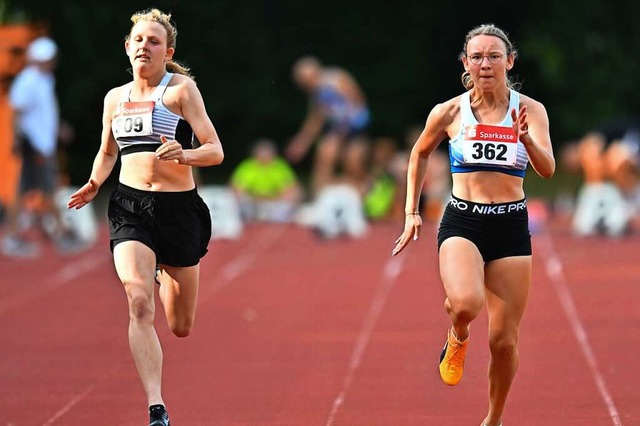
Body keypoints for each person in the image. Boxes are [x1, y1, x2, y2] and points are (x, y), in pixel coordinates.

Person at [66, 9, 223, 426]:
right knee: (138, 302)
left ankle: (161, 270)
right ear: (127, 47)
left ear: (167, 51)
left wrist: (184, 153)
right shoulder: (114, 99)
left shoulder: (180, 91)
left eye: (154, 41)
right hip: (130, 208)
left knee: (181, 325)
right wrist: (96, 182)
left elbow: (215, 149)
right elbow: (107, 151)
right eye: (138, 40)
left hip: (179, 212)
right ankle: (157, 407)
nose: (144, 47)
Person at [392, 24, 555, 426]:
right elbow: (419, 153)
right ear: (466, 63)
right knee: (465, 304)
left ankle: (493, 419)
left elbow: (548, 169)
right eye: (477, 57)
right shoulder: (448, 111)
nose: (486, 64)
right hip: (463, 219)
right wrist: (413, 211)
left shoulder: (531, 111)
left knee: (503, 341)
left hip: (511, 225)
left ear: (509, 61)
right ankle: (458, 334)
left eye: (494, 56)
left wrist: (527, 140)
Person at [1, 36, 81, 257]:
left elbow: (42, 114)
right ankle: (57, 232)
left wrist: (57, 129)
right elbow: (16, 111)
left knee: (38, 189)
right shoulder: (28, 81)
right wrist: (18, 140)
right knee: (44, 188)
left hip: (42, 143)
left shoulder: (43, 80)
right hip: (34, 144)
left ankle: (47, 231)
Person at [286, 56, 370, 195]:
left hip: (355, 127)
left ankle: (364, 192)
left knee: (352, 163)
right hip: (337, 129)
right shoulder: (315, 93)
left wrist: (346, 127)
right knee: (324, 157)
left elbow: (357, 101)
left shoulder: (335, 78)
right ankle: (321, 196)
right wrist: (301, 143)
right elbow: (315, 120)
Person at [564, 116, 640, 236]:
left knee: (616, 157)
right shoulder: (626, 128)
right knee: (592, 151)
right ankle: (597, 199)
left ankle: (628, 203)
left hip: (627, 186)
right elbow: (593, 141)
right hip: (605, 185)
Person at [230, 138, 302, 222]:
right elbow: (237, 188)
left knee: (295, 193)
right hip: (253, 203)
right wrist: (255, 199)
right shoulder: (247, 166)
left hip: (274, 203)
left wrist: (273, 199)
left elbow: (290, 188)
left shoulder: (279, 166)